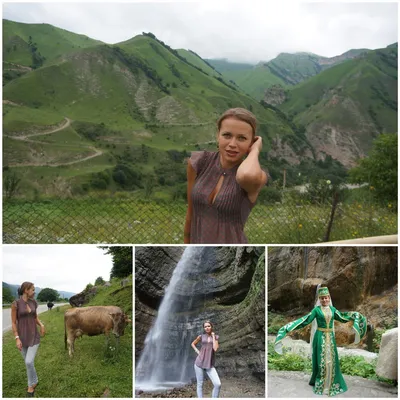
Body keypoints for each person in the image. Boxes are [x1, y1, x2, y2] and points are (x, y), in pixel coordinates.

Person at [184, 108, 268, 244]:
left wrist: (255, 151)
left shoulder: (256, 176)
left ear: (251, 142)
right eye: (227, 135)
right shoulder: (198, 163)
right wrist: (186, 245)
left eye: (242, 138)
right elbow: (190, 213)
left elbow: (246, 175)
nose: (232, 144)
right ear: (218, 135)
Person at [274, 285, 367, 396]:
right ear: (319, 299)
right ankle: (322, 383)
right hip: (320, 336)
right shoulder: (316, 310)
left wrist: (356, 316)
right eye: (322, 298)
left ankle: (332, 382)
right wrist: (287, 328)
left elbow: (343, 317)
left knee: (332, 360)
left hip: (330, 338)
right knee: (321, 360)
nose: (324, 300)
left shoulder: (333, 310)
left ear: (329, 298)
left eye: (326, 297)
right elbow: (305, 320)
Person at [11, 282, 46, 397]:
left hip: (34, 336)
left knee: (28, 361)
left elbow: (35, 317)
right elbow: (13, 322)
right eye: (33, 289)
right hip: (22, 337)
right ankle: (34, 380)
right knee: (28, 364)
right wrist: (17, 338)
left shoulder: (34, 302)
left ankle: (30, 386)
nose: (34, 291)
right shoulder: (15, 304)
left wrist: (41, 325)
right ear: (26, 290)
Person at [191, 321, 221, 398]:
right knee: (200, 384)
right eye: (205, 327)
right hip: (199, 363)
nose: (207, 328)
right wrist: (197, 351)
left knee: (218, 384)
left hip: (209, 364)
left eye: (208, 326)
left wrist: (213, 336)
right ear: (204, 328)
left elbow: (215, 348)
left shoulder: (216, 337)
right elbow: (193, 344)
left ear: (211, 327)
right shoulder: (201, 336)